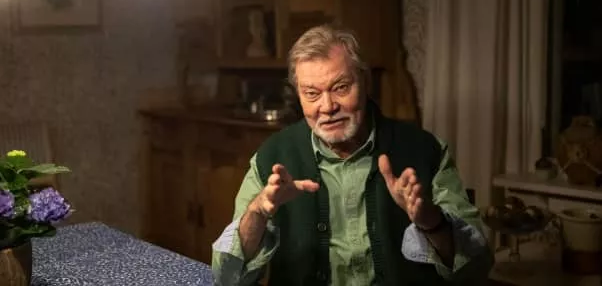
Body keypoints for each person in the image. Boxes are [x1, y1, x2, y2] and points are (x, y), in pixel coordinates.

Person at [211, 25, 494, 285]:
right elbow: (227, 276)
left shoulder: (424, 150)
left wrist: (432, 223)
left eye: (341, 87)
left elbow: (476, 269)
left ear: (365, 81)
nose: (327, 107)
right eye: (312, 93)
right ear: (298, 95)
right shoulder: (272, 157)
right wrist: (258, 212)